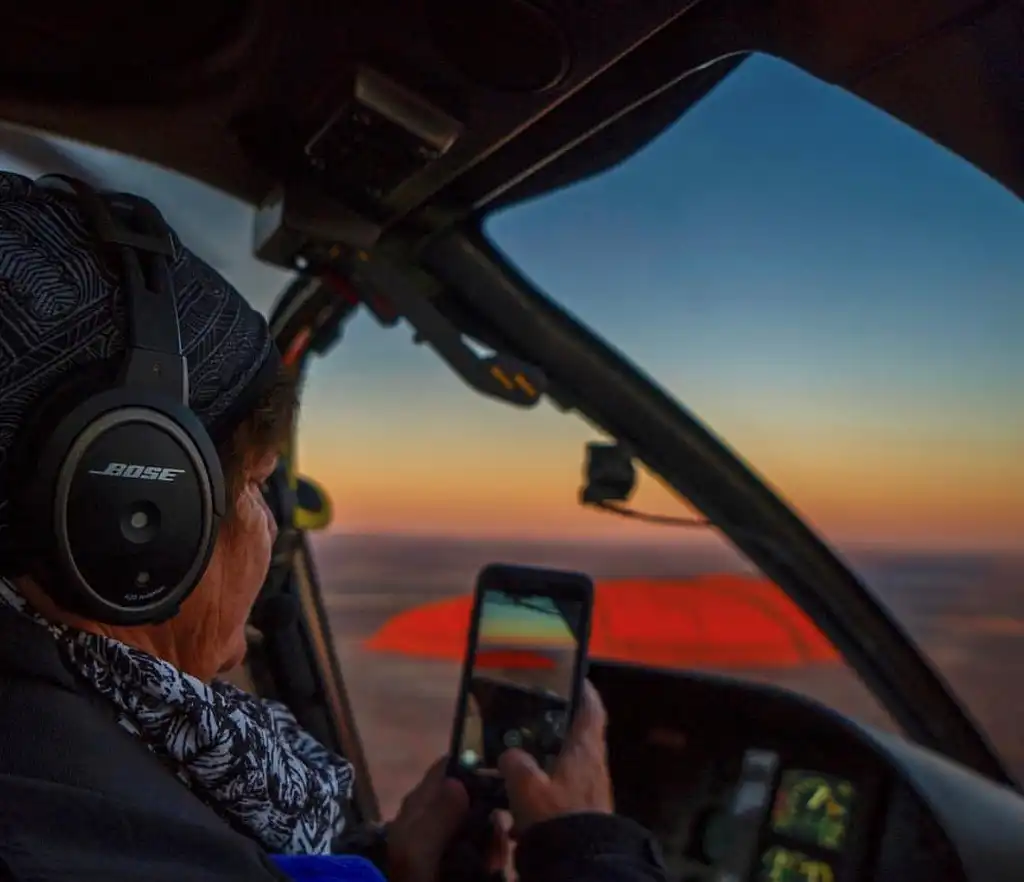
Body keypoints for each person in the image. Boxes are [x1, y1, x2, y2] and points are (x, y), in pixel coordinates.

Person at [0, 169, 668, 882]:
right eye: (257, 485)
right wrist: (590, 851)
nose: (269, 533)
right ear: (141, 510)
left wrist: (385, 866)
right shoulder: (70, 839)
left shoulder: (64, 781)